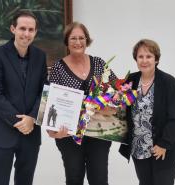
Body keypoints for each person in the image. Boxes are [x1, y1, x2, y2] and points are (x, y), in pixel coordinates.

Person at [48, 22, 117, 185]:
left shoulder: (99, 64)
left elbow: (117, 91)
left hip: (99, 133)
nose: (77, 42)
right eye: (73, 38)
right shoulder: (58, 68)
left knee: (99, 179)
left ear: (87, 40)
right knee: (74, 178)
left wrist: (111, 105)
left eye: (81, 38)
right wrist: (53, 131)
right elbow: (51, 101)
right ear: (67, 41)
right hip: (69, 136)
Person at [0, 10, 47, 185]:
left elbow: (44, 91)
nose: (26, 34)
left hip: (31, 134)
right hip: (3, 132)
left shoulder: (40, 56)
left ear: (35, 32)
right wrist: (19, 121)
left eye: (31, 29)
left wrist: (32, 118)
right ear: (13, 29)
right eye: (22, 28)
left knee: (25, 181)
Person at [119, 39, 175, 185]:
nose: (144, 60)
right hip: (138, 147)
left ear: (156, 59)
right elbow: (122, 109)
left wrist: (164, 144)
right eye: (140, 56)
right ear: (136, 59)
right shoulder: (130, 81)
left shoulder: (169, 82)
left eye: (149, 56)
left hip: (163, 148)